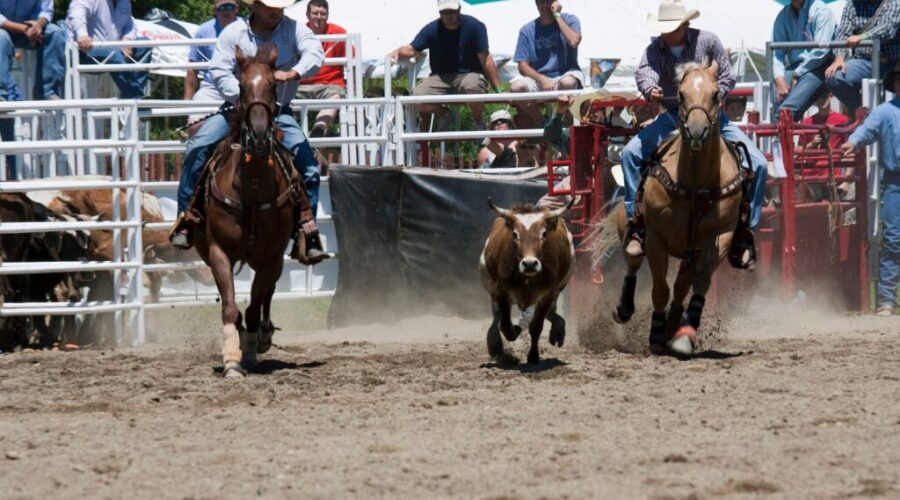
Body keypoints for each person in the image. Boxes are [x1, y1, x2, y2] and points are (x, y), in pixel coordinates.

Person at [169, 0, 326, 262]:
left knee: (308, 166)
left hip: (277, 111)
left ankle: (305, 232)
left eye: (281, 6)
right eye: (270, 5)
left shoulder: (295, 30)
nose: (277, 10)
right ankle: (187, 219)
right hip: (237, 108)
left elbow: (315, 53)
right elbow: (219, 71)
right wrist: (247, 98)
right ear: (255, 6)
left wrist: (294, 72)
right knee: (197, 147)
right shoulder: (234, 32)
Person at [624, 0, 768, 262]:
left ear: (686, 25)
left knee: (759, 165)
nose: (667, 33)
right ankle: (637, 225)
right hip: (671, 116)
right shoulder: (654, 49)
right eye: (664, 28)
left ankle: (745, 232)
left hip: (713, 118)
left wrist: (709, 99)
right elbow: (644, 74)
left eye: (673, 27)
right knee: (629, 154)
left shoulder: (708, 42)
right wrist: (650, 89)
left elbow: (727, 76)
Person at [841, 62, 900, 316]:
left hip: (894, 182)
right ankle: (886, 299)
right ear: (895, 84)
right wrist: (854, 141)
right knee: (894, 239)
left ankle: (887, 299)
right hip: (895, 181)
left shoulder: (886, 111)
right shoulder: (885, 112)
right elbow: (866, 130)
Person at [388, 0, 501, 131]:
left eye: (451, 12)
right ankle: (444, 114)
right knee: (417, 98)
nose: (448, 16)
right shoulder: (432, 28)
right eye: (444, 12)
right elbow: (412, 49)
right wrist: (398, 52)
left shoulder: (474, 26)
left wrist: (499, 89)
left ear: (459, 9)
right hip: (440, 77)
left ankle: (478, 122)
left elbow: (486, 58)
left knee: (472, 86)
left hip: (469, 75)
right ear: (439, 12)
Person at [510, 0, 584, 128]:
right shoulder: (527, 30)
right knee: (516, 87)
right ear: (536, 4)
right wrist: (542, 79)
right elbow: (522, 66)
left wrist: (557, 17)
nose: (543, 5)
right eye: (540, 2)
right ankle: (541, 122)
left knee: (567, 83)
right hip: (539, 79)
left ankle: (566, 122)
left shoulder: (569, 19)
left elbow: (573, 41)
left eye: (547, 1)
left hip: (566, 75)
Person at [825, 0, 899, 116]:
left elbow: (887, 29)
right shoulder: (852, 4)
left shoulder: (894, 2)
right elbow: (843, 32)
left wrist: (862, 37)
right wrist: (839, 58)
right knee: (833, 77)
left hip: (891, 65)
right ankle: (865, 114)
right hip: (862, 61)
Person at [67, 0, 150, 99]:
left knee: (145, 44)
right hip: (84, 52)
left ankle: (133, 94)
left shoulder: (125, 2)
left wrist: (127, 40)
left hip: (112, 50)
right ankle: (134, 95)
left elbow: (130, 24)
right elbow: (77, 14)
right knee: (113, 53)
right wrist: (82, 35)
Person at [772, 0, 837, 121]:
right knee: (778, 98)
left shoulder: (821, 11)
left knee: (788, 108)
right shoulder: (783, 15)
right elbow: (777, 53)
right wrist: (779, 78)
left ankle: (778, 133)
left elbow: (822, 52)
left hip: (821, 65)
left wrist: (798, 74)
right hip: (798, 67)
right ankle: (779, 133)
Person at [184, 0, 241, 131]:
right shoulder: (203, 31)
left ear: (237, 9)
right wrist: (187, 104)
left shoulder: (248, 26)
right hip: (212, 88)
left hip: (243, 86)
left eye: (230, 6)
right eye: (222, 8)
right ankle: (196, 150)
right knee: (194, 126)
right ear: (215, 10)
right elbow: (192, 69)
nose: (226, 11)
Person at [298, 0, 346, 138]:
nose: (319, 17)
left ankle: (319, 130)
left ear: (328, 15)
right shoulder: (298, 32)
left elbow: (352, 63)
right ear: (307, 15)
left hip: (330, 85)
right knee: (282, 98)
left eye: (323, 13)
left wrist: (351, 86)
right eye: (315, 13)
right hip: (302, 85)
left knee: (335, 96)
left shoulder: (339, 33)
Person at [0, 0, 65, 101]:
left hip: (29, 31)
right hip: (3, 29)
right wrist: (24, 29)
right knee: (1, 36)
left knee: (54, 33)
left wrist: (38, 25)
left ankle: (46, 92)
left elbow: (46, 11)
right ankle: (1, 95)